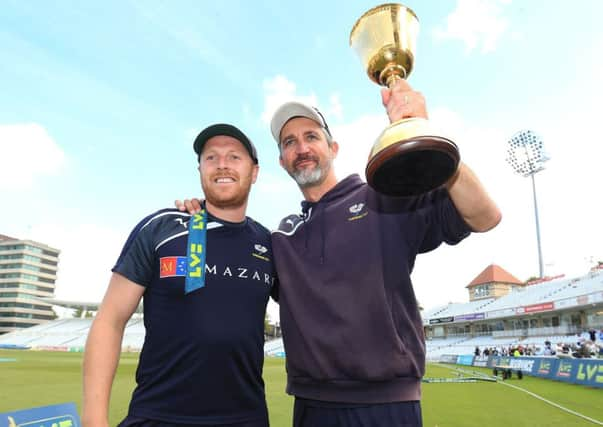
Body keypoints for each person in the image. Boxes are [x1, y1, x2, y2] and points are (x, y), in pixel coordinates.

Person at [181, 79, 501, 426]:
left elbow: (484, 217)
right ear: (282, 160)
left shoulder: (382, 197)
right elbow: (229, 266)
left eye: (311, 137)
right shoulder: (281, 236)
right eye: (289, 142)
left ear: (333, 147)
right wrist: (202, 219)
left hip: (386, 405)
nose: (301, 148)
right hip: (310, 407)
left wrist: (427, 137)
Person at [82, 124, 278, 427]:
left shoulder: (269, 244)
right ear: (200, 169)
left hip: (246, 418)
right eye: (211, 157)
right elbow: (110, 319)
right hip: (157, 416)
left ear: (254, 172)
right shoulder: (161, 228)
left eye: (234, 157)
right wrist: (94, 421)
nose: (222, 164)